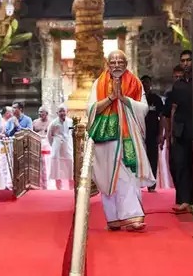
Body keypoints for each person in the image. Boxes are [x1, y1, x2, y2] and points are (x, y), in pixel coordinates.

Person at [87, 50, 155, 231]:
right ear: (108, 64)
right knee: (108, 176)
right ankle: (113, 218)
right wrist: (110, 98)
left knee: (126, 175)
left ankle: (132, 216)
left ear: (126, 63)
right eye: (113, 62)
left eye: (120, 61)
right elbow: (91, 109)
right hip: (105, 138)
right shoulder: (98, 83)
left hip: (128, 137)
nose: (116, 65)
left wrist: (124, 99)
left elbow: (144, 108)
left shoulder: (135, 82)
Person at [168, 50, 193, 213]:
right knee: (181, 164)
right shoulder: (177, 85)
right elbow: (172, 108)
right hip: (180, 130)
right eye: (183, 60)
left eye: (188, 60)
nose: (185, 63)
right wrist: (171, 132)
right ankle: (184, 200)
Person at [140, 75, 164, 192]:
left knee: (153, 159)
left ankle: (152, 184)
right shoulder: (137, 99)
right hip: (139, 135)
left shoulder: (156, 99)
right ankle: (138, 183)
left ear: (150, 84)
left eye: (147, 83)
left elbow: (162, 117)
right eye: (143, 83)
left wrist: (161, 134)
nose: (145, 85)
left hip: (153, 134)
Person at [48, 105, 74, 190]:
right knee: (57, 167)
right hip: (57, 148)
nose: (62, 113)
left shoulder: (71, 122)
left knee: (70, 165)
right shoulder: (53, 123)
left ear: (67, 112)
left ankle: (71, 187)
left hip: (68, 147)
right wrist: (54, 144)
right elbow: (49, 136)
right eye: (60, 111)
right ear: (57, 113)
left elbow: (73, 134)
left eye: (63, 111)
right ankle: (58, 187)